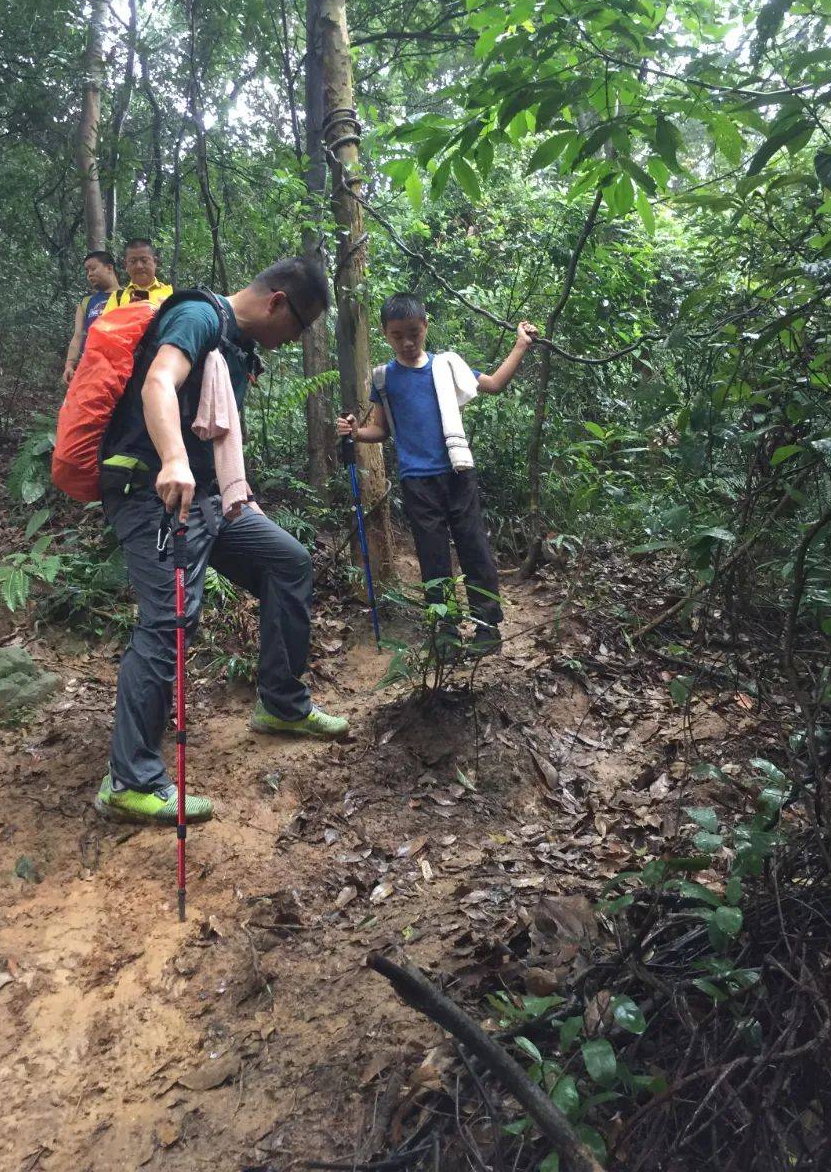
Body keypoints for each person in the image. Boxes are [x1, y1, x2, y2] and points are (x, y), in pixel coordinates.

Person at [94, 256, 348, 827]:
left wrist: (229, 489)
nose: (295, 340)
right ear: (278, 302)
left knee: (288, 561)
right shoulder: (197, 316)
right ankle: (129, 780)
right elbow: (159, 381)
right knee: (169, 621)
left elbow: (218, 429)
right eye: (300, 327)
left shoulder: (237, 346)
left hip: (211, 498)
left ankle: (281, 705)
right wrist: (175, 460)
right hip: (150, 488)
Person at [337, 293, 537, 658]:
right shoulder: (384, 379)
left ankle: (487, 626)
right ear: (385, 334)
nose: (408, 342)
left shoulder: (446, 366)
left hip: (458, 473)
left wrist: (520, 345)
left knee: (474, 547)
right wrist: (353, 432)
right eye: (398, 335)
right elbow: (380, 431)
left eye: (414, 332)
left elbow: (492, 384)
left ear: (426, 326)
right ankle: (444, 631)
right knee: (432, 557)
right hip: (417, 481)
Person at [62, 251, 120, 385]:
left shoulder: (128, 297)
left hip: (118, 369)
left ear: (109, 268)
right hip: (89, 368)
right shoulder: (86, 302)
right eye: (87, 271)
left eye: (93, 268)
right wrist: (69, 365)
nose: (89, 274)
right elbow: (78, 335)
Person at [102, 237, 174, 313]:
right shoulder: (117, 298)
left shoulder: (171, 293)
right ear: (125, 265)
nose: (139, 266)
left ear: (155, 262)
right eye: (133, 261)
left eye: (144, 260)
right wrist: (128, 312)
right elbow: (106, 324)